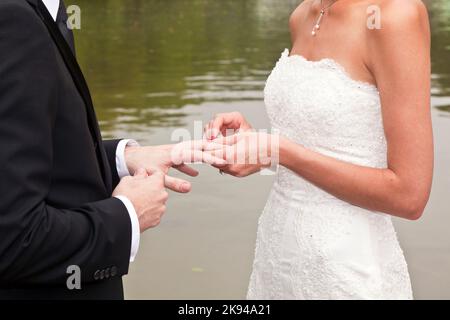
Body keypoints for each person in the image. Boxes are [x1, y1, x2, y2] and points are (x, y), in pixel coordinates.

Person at [205, 0, 433, 299]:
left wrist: (279, 151)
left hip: (347, 267)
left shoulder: (394, 14)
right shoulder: (302, 14)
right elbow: (322, 141)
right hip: (277, 257)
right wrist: (260, 150)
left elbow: (409, 196)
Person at [0, 0, 224, 299]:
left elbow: (25, 162)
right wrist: (127, 215)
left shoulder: (45, 11)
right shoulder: (14, 19)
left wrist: (122, 158)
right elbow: (13, 240)